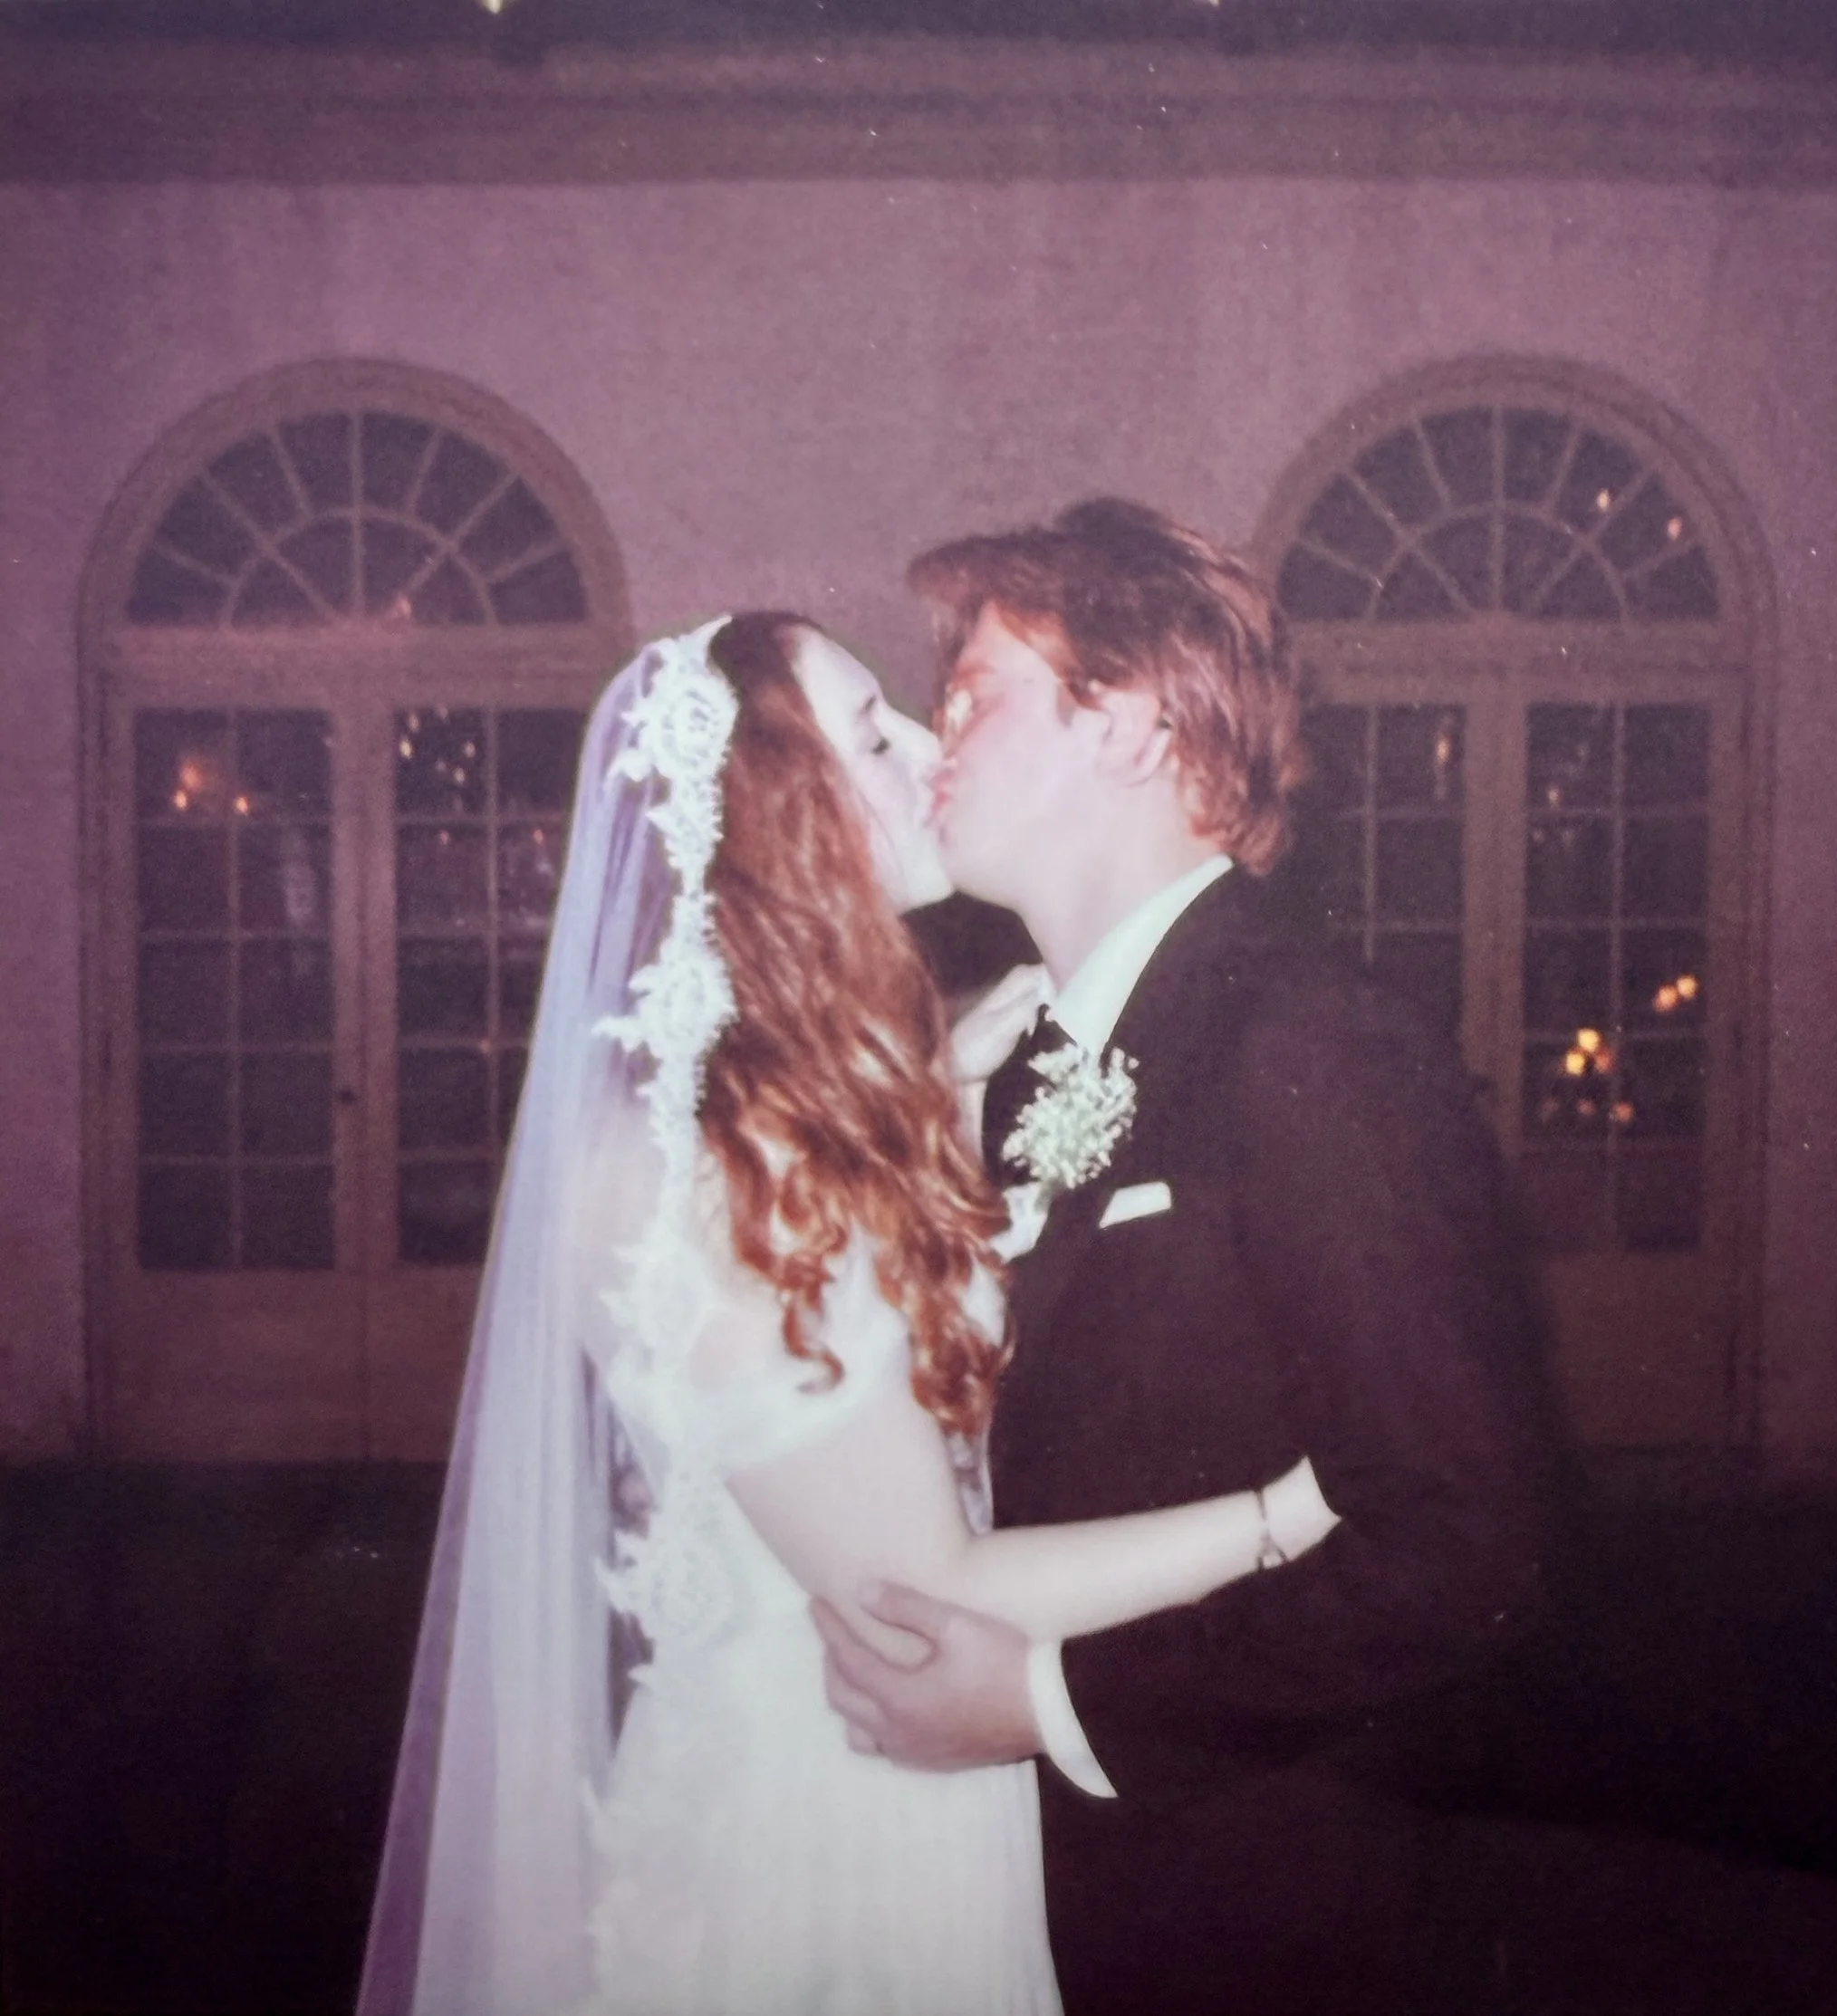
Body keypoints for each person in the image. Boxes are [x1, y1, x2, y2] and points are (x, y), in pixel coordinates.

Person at [357, 610, 1340, 2016]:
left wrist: (937, 1078)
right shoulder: (714, 1171)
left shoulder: (778, 1116)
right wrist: (1285, 1518)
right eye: (873, 731)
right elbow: (921, 1589)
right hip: (824, 1828)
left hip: (858, 1773)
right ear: (778, 818)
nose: (932, 746)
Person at [812, 500, 1563, 2016]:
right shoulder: (1012, 1067)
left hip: (1256, 1911)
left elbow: (1470, 1545)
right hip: (1026, 1901)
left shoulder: (1311, 1043)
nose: (929, 728)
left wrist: (1043, 1698)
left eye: (975, 694)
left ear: (1136, 724)